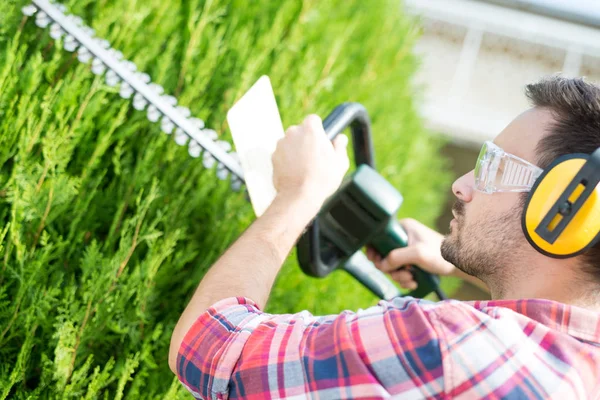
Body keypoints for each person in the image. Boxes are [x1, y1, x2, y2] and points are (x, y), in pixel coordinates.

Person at [168, 76, 600, 399]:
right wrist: (455, 263)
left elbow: (208, 348)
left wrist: (298, 196)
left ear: (562, 210)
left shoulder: (455, 345)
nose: (462, 184)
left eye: (494, 167)